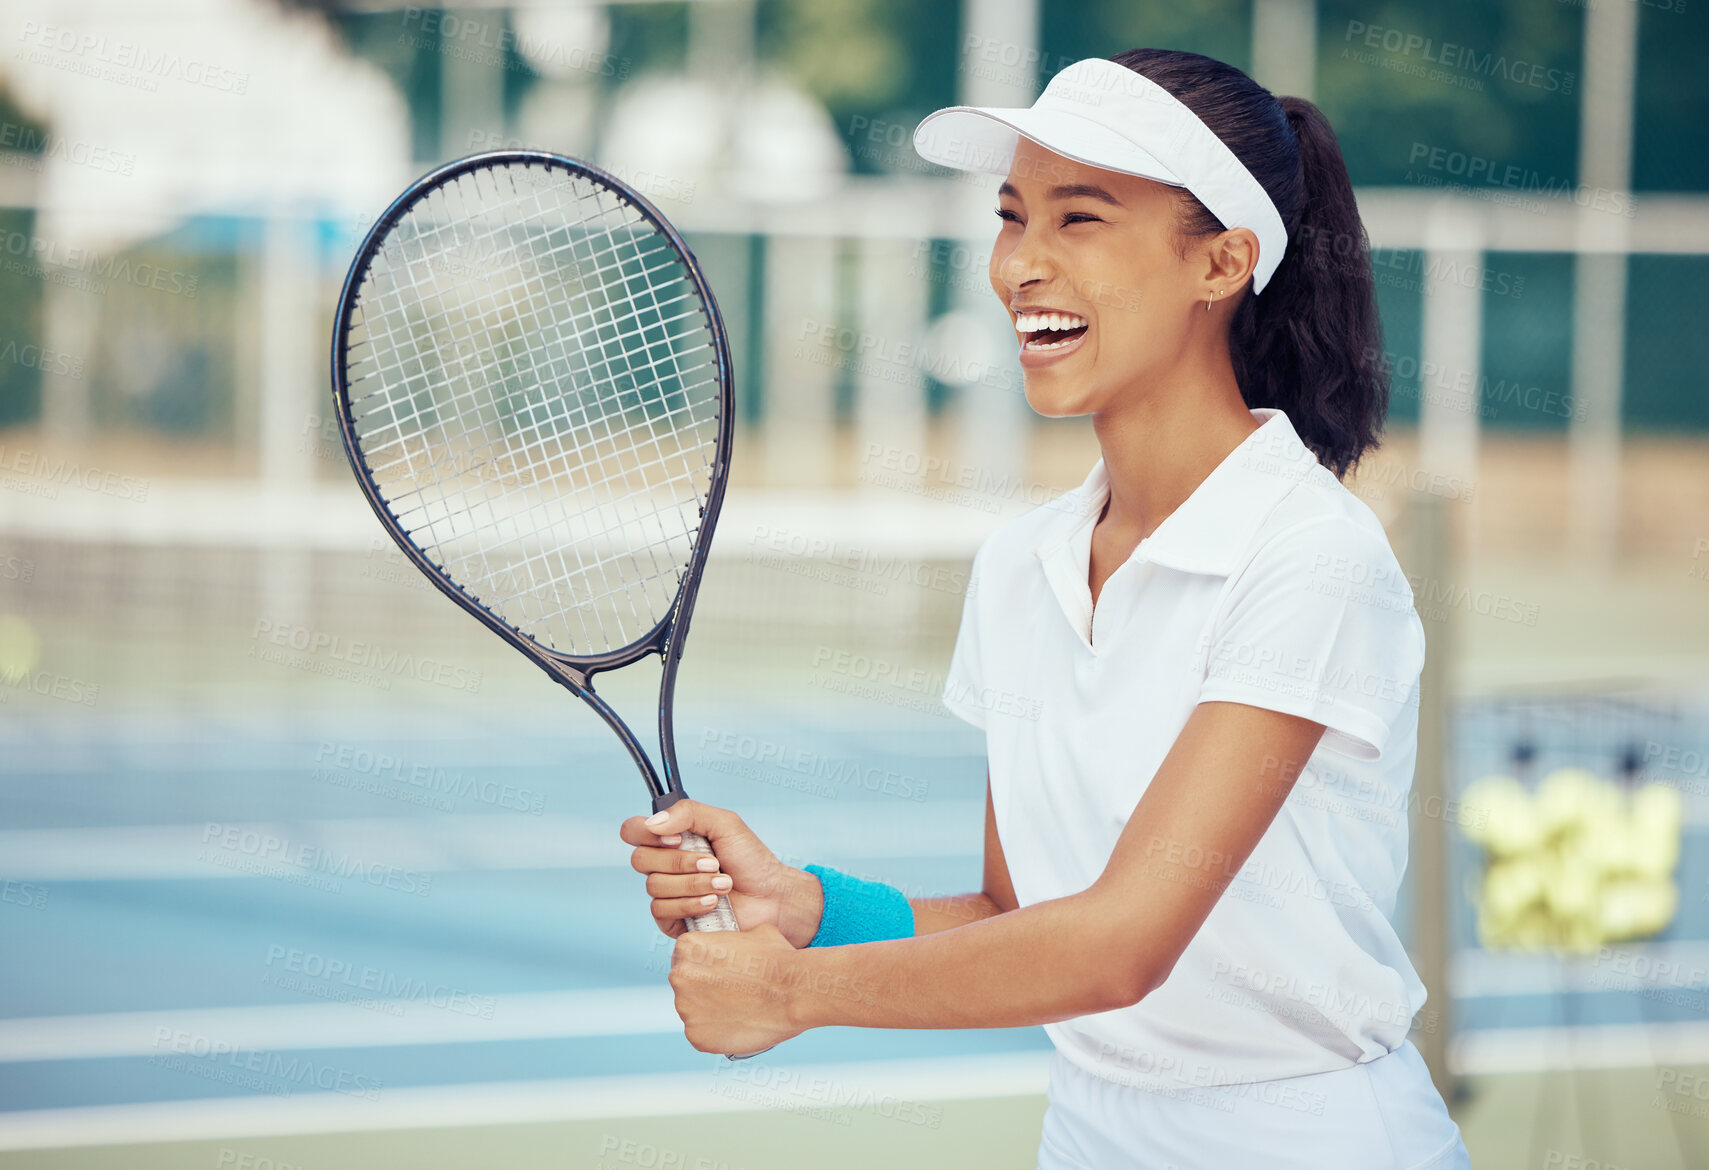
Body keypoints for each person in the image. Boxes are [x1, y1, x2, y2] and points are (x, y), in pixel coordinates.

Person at [619, 47, 1474, 1170]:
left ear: (1220, 262)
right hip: (1089, 1132)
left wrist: (792, 992)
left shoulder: (1310, 556)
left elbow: (1117, 945)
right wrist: (808, 908)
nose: (1020, 264)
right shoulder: (1022, 565)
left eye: (1079, 220)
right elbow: (1019, 912)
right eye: (1010, 216)